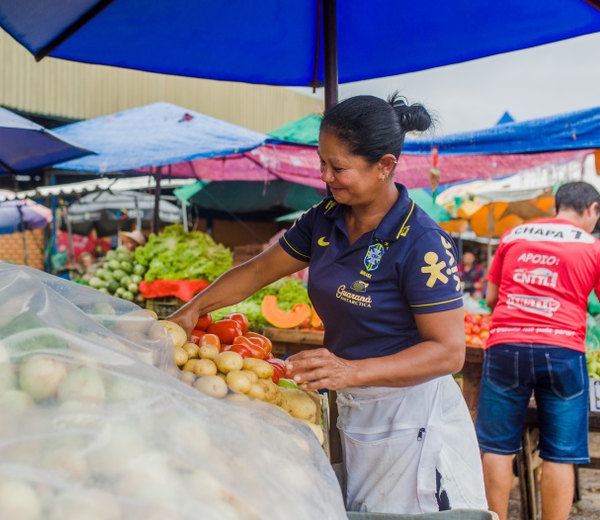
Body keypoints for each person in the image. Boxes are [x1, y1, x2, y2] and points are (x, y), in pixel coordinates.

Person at [169, 94, 486, 514]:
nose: (326, 176)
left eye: (338, 167)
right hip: (353, 402)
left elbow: (448, 353)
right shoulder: (326, 216)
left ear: (385, 166)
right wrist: (193, 309)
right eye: (322, 162)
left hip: (411, 416)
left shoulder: (423, 242)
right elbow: (258, 272)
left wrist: (351, 369)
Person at [477, 182, 600, 520]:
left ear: (557, 205)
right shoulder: (595, 248)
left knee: (496, 447)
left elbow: (491, 299)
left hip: (506, 345)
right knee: (560, 454)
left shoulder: (513, 235)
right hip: (563, 350)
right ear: (592, 209)